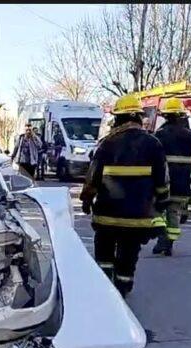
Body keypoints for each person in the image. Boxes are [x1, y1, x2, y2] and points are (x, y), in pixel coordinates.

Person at [79, 94, 169, 298]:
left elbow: (92, 177)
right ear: (137, 116)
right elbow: (162, 178)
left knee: (104, 253)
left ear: (118, 119)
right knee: (129, 254)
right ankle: (123, 287)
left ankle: (104, 289)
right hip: (137, 217)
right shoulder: (153, 143)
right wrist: (162, 201)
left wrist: (86, 199)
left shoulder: (106, 143)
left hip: (107, 215)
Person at [152, 98, 191, 256]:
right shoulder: (189, 136)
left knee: (158, 211)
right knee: (173, 212)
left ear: (165, 116)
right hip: (181, 182)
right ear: (181, 115)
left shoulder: (158, 135)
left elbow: (152, 161)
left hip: (162, 182)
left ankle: (161, 240)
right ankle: (169, 244)